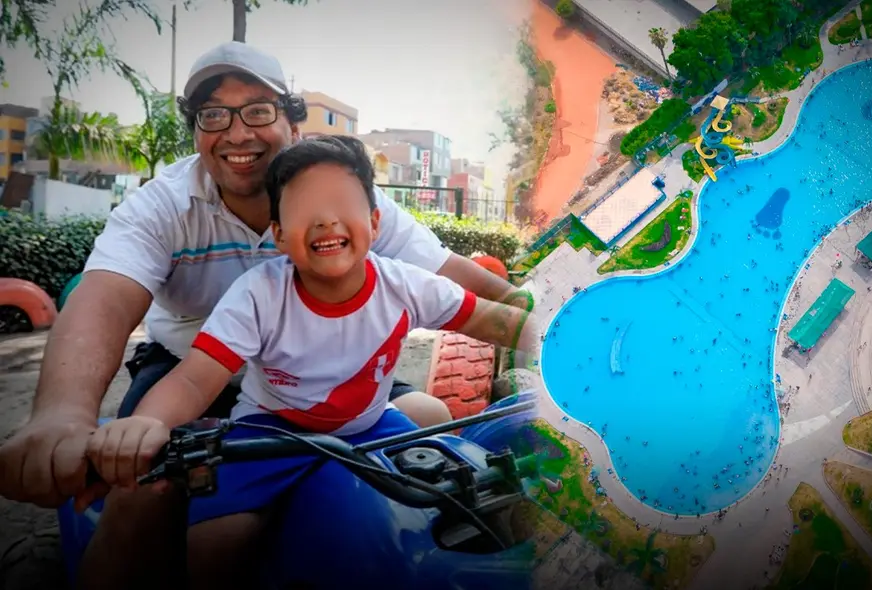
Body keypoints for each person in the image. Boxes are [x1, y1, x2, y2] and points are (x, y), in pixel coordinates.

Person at [0, 42, 530, 588]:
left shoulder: (341, 194)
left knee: (430, 419)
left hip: (325, 373)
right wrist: (62, 414)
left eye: (257, 110)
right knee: (143, 483)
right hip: (191, 369)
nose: (237, 133)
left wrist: (541, 311)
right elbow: (104, 299)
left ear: (291, 124)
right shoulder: (162, 207)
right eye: (214, 115)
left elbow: (454, 277)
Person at [84, 135, 538, 586]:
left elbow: (495, 322)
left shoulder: (407, 285)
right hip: (269, 431)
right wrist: (148, 422)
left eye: (341, 204)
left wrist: (556, 332)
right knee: (215, 542)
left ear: (374, 223)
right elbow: (193, 379)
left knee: (454, 498)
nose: (325, 220)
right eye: (305, 209)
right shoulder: (258, 294)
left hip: (371, 426)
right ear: (279, 234)